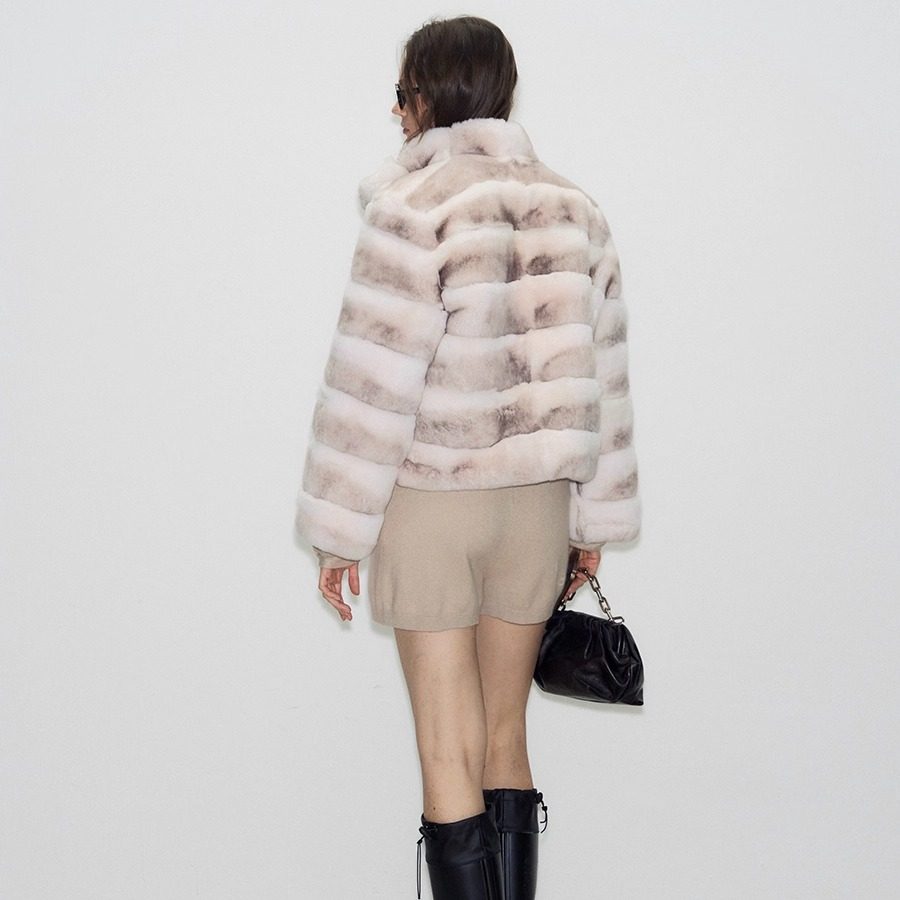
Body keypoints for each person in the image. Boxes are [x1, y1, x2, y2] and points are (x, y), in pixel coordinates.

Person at [295, 15, 640, 899]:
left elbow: (372, 385)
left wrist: (338, 531)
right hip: (536, 509)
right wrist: (592, 521)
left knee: (446, 751)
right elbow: (605, 380)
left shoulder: (411, 209)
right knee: (504, 741)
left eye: (400, 92)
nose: (395, 111)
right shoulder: (577, 210)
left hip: (433, 507)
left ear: (426, 95)